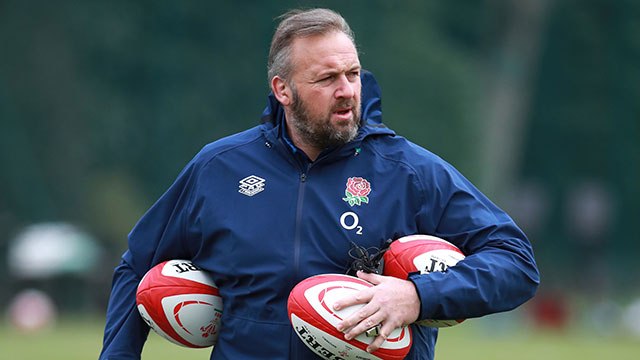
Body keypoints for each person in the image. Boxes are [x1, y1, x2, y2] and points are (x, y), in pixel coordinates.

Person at [99, 8, 539, 360]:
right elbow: (137, 266)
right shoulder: (218, 169)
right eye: (327, 79)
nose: (347, 90)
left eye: (352, 74)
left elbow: (516, 264)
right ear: (283, 90)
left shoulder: (409, 172)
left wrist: (418, 295)